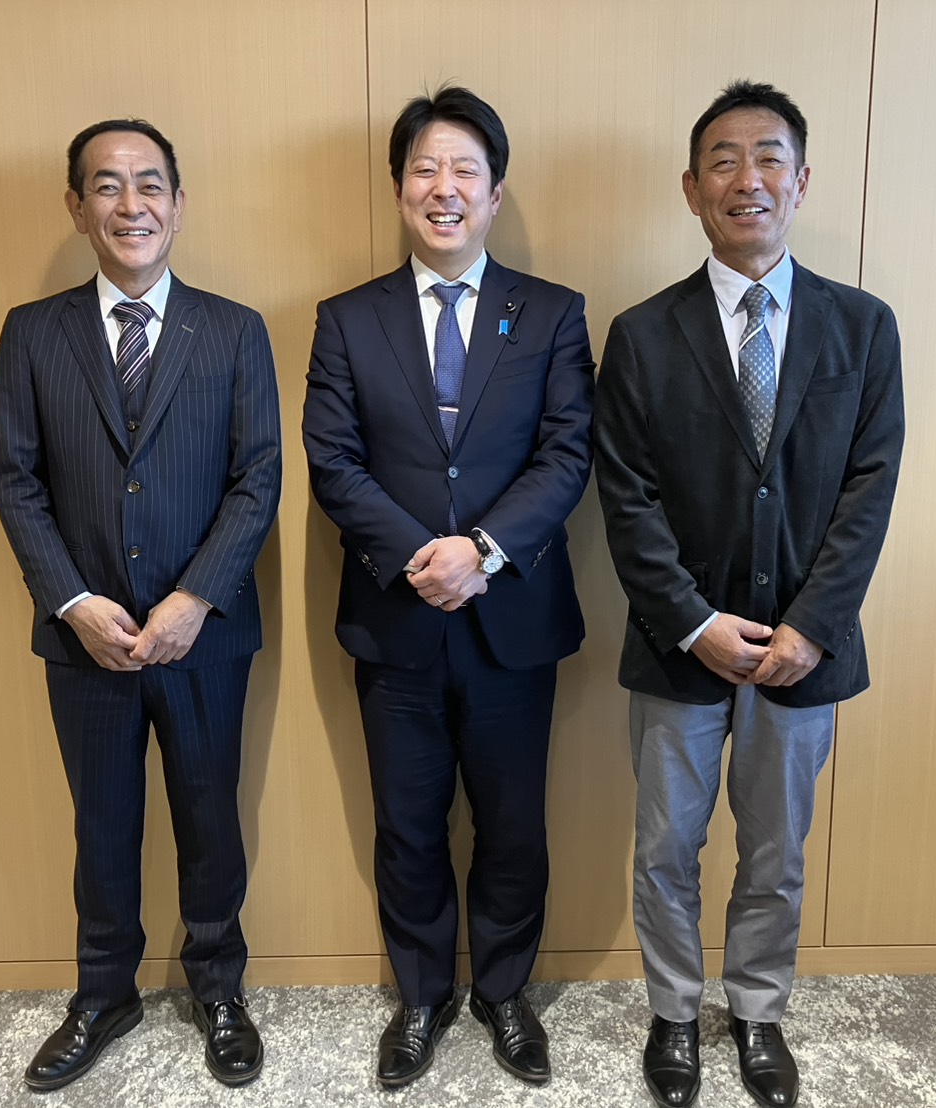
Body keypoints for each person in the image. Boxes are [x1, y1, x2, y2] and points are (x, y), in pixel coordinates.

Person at [595, 81, 905, 1108]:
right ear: (691, 189)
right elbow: (625, 495)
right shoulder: (642, 334)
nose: (747, 179)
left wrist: (812, 626)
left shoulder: (862, 328)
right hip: (676, 644)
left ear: (801, 181)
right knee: (664, 848)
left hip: (801, 650)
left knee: (775, 850)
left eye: (768, 157)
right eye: (722, 161)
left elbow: (868, 488)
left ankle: (759, 1010)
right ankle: (674, 1012)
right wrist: (690, 620)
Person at [302, 85, 593, 1089]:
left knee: (513, 824)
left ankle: (505, 993)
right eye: (425, 168)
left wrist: (483, 549)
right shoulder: (347, 320)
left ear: (495, 192)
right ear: (398, 189)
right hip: (397, 617)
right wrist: (425, 555)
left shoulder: (551, 313)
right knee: (407, 823)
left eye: (465, 169)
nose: (445, 187)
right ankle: (421, 995)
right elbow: (332, 460)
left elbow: (566, 453)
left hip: (512, 618)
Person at [0, 118, 280, 1093]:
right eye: (107, 186)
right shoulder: (32, 333)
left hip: (204, 637)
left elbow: (257, 478)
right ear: (77, 208)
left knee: (210, 818)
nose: (131, 204)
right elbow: (17, 482)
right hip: (87, 641)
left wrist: (194, 599)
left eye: (150, 184)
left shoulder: (235, 330)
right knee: (102, 824)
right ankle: (103, 993)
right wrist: (73, 602)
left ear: (179, 205)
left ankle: (219, 989)